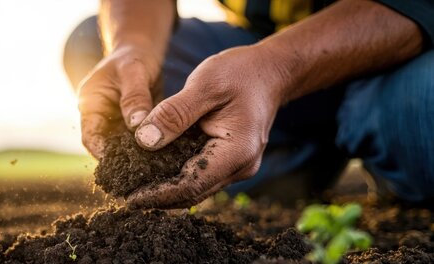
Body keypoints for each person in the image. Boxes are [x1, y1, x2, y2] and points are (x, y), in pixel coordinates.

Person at [63, 0, 434, 209]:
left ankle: (371, 141)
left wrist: (275, 68)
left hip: (394, 47)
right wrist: (133, 44)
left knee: (423, 105)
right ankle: (291, 158)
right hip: (260, 47)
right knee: (92, 44)